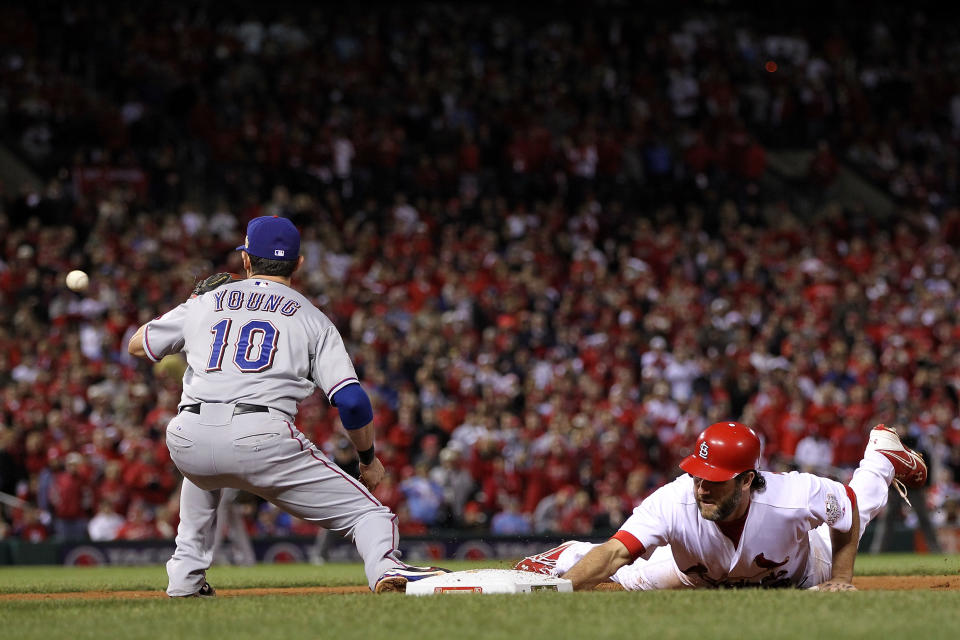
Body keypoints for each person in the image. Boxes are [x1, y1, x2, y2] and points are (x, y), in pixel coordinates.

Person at [128, 215, 447, 596]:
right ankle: (385, 568)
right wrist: (367, 459)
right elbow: (352, 402)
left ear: (246, 260)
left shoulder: (206, 302)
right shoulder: (314, 319)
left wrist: (193, 304)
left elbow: (137, 344)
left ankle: (185, 579)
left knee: (202, 475)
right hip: (261, 436)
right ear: (298, 264)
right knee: (370, 514)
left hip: (188, 436)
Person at [515, 421, 927, 591]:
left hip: (803, 568)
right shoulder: (673, 499)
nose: (700, 487)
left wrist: (840, 578)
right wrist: (564, 590)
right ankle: (563, 557)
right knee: (624, 578)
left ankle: (880, 456)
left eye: (713, 480)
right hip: (697, 573)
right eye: (697, 475)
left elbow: (847, 513)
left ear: (747, 479)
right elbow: (616, 551)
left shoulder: (795, 496)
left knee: (863, 503)